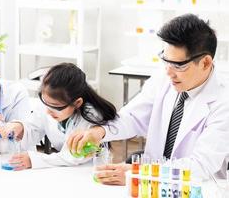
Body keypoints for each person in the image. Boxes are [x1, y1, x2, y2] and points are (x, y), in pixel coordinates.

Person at [67, 13, 229, 185]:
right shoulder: (164, 77)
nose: (169, 72)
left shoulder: (223, 103)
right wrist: (99, 132)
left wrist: (141, 173)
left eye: (178, 65)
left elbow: (200, 166)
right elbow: (133, 116)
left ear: (205, 63)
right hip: (150, 187)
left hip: (197, 188)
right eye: (166, 60)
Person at [0, 63, 117, 170]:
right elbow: (34, 128)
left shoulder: (92, 116)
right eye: (45, 103)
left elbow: (74, 156)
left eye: (55, 107)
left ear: (77, 103)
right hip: (64, 169)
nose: (48, 111)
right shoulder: (48, 106)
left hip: (89, 169)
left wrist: (34, 159)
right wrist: (20, 127)